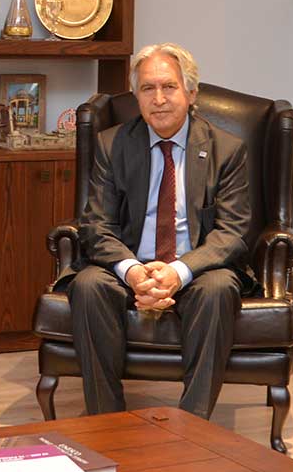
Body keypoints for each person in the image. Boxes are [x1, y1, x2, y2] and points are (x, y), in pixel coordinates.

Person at [62, 42, 255, 419]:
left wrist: (178, 272)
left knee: (218, 290)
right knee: (88, 285)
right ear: (137, 96)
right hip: (129, 263)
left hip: (197, 267)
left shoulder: (227, 150)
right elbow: (97, 225)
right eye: (148, 89)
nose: (159, 99)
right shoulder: (112, 144)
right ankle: (107, 422)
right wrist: (134, 272)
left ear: (191, 93)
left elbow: (232, 232)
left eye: (169, 87)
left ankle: (193, 424)